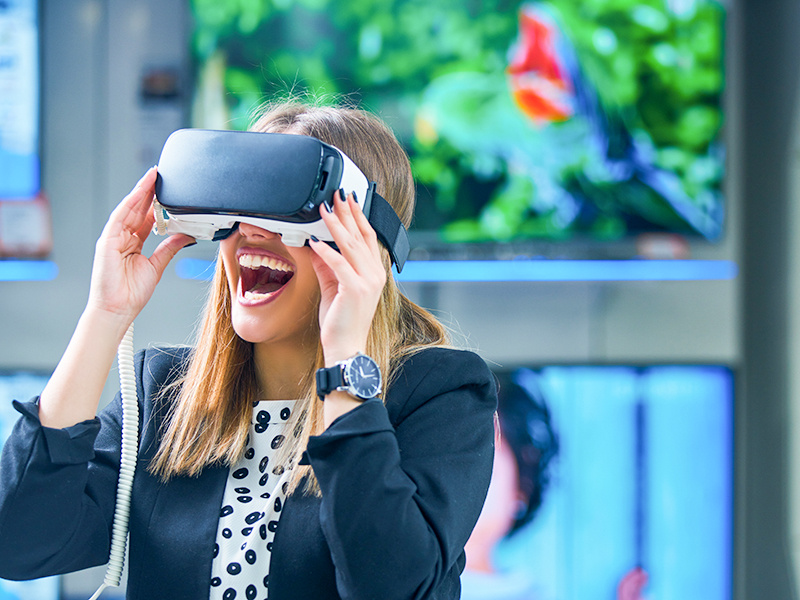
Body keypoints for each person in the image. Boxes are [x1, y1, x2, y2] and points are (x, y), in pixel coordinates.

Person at [0, 100, 497, 600]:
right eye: (241, 207)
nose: (253, 231)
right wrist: (104, 314)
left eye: (289, 211)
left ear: (363, 241)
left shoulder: (440, 395)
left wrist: (346, 359)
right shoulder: (164, 393)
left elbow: (391, 587)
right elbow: (20, 543)